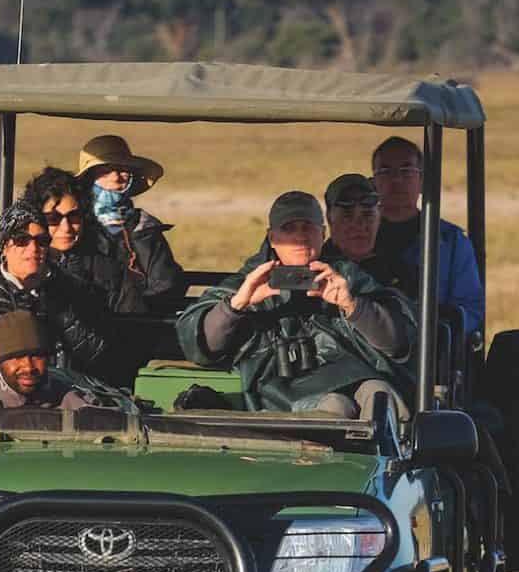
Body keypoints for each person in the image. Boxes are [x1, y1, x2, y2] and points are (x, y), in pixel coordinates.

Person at [176, 190, 413, 419]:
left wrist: (353, 306)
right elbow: (200, 346)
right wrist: (237, 305)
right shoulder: (249, 283)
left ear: (322, 234)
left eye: (308, 227)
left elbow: (399, 342)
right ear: (272, 238)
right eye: (289, 228)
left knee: (380, 394)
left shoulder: (348, 278)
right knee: (335, 406)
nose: (300, 236)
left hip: (358, 380)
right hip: (282, 397)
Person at [0, 202, 116, 384]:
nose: (33, 248)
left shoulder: (70, 289)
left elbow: (97, 355)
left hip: (58, 396)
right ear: (5, 246)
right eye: (22, 240)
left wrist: (60, 306)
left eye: (41, 241)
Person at [20, 165, 154, 388]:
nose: (66, 227)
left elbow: (133, 341)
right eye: (53, 218)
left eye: (74, 216)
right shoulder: (13, 267)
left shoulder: (110, 272)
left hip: (95, 389)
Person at [370, 135, 484, 338]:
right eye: (386, 172)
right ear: (373, 181)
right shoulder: (356, 237)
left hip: (430, 353)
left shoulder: (451, 242)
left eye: (406, 171)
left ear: (423, 181)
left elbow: (472, 310)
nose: (396, 180)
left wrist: (437, 327)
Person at [75, 134, 186, 315]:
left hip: (143, 325)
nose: (116, 177)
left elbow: (166, 284)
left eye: (122, 170)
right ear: (89, 178)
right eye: (106, 170)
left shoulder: (146, 228)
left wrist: (135, 310)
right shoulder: (73, 228)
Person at [319, 172, 415, 295]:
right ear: (329, 218)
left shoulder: (400, 269)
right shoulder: (316, 269)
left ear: (379, 217)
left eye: (367, 215)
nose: (359, 225)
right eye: (347, 216)